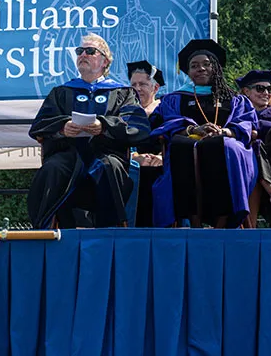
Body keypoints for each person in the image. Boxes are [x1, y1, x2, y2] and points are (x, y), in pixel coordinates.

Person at [27, 34, 150, 229]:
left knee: (108, 167)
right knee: (53, 168)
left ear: (105, 61)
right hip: (69, 156)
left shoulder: (122, 93)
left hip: (105, 153)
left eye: (90, 51)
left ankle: (111, 230)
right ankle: (47, 231)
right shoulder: (61, 92)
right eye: (80, 51)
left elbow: (137, 125)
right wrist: (62, 127)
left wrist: (104, 125)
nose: (83, 54)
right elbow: (40, 125)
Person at [150, 40, 257, 228]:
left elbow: (247, 124)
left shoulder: (233, 99)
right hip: (191, 143)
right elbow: (167, 122)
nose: (201, 69)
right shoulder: (177, 98)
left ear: (216, 67)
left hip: (226, 145)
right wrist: (193, 130)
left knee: (224, 146)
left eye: (206, 64)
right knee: (182, 146)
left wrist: (226, 132)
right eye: (194, 66)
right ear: (188, 72)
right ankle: (194, 222)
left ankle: (222, 223)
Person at [236, 69, 271, 225]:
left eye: (270, 89)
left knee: (257, 146)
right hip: (244, 170)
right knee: (253, 154)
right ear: (246, 91)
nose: (266, 92)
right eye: (260, 88)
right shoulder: (237, 115)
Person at [127, 60, 165, 226]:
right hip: (132, 163)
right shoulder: (125, 111)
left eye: (142, 84)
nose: (137, 88)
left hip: (163, 162)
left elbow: (174, 136)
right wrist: (135, 156)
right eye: (134, 84)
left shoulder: (166, 109)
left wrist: (163, 156)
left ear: (155, 88)